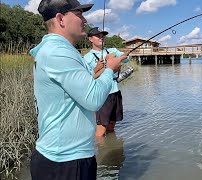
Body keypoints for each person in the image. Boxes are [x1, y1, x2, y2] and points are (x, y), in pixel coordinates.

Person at [29, 0, 127, 179]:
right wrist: (110, 69)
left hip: (66, 158)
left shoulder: (61, 50)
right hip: (65, 162)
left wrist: (96, 72)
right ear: (60, 19)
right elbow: (93, 99)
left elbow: (74, 90)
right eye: (79, 13)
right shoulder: (58, 51)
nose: (85, 19)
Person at [84, 27, 129, 137]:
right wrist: (97, 68)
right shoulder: (87, 57)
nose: (101, 38)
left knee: (112, 123)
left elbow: (126, 59)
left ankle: (112, 145)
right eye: (98, 36)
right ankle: (101, 151)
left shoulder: (112, 51)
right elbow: (85, 78)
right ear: (90, 39)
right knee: (101, 127)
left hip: (115, 91)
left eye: (102, 36)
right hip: (101, 93)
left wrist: (124, 55)